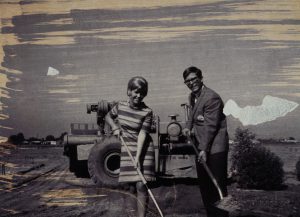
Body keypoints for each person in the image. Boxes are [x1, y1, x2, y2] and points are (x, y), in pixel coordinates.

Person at [105, 76, 155, 217]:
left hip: (144, 148)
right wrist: (114, 126)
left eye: (142, 93)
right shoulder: (120, 106)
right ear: (129, 91)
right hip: (127, 145)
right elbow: (107, 117)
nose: (138, 95)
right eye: (136, 91)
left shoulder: (147, 112)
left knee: (141, 185)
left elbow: (142, 135)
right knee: (128, 186)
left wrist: (138, 157)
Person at [182, 66, 229, 217]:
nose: (191, 83)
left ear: (201, 79)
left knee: (217, 187)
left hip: (215, 148)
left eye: (194, 79)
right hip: (202, 147)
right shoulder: (193, 96)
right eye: (188, 81)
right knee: (205, 187)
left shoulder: (211, 97)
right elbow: (192, 115)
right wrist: (187, 127)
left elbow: (210, 126)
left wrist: (203, 149)